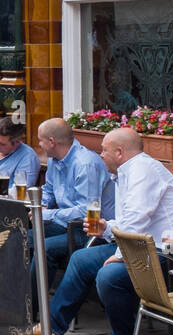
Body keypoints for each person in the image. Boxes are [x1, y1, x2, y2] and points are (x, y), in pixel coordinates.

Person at [38, 127, 173, 335]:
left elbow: (137, 221)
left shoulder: (143, 170)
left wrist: (119, 255)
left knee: (110, 275)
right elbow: (130, 222)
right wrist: (105, 227)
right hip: (143, 247)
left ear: (119, 152)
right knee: (81, 259)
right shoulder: (125, 173)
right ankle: (52, 330)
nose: (100, 155)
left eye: (104, 150)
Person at [32, 117, 114, 299]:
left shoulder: (85, 164)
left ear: (52, 142)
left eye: (40, 140)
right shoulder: (54, 159)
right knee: (21, 236)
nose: (39, 145)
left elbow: (86, 212)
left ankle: (32, 309)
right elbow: (49, 190)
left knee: (45, 247)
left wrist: (48, 214)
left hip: (91, 228)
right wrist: (42, 204)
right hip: (64, 222)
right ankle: (17, 299)